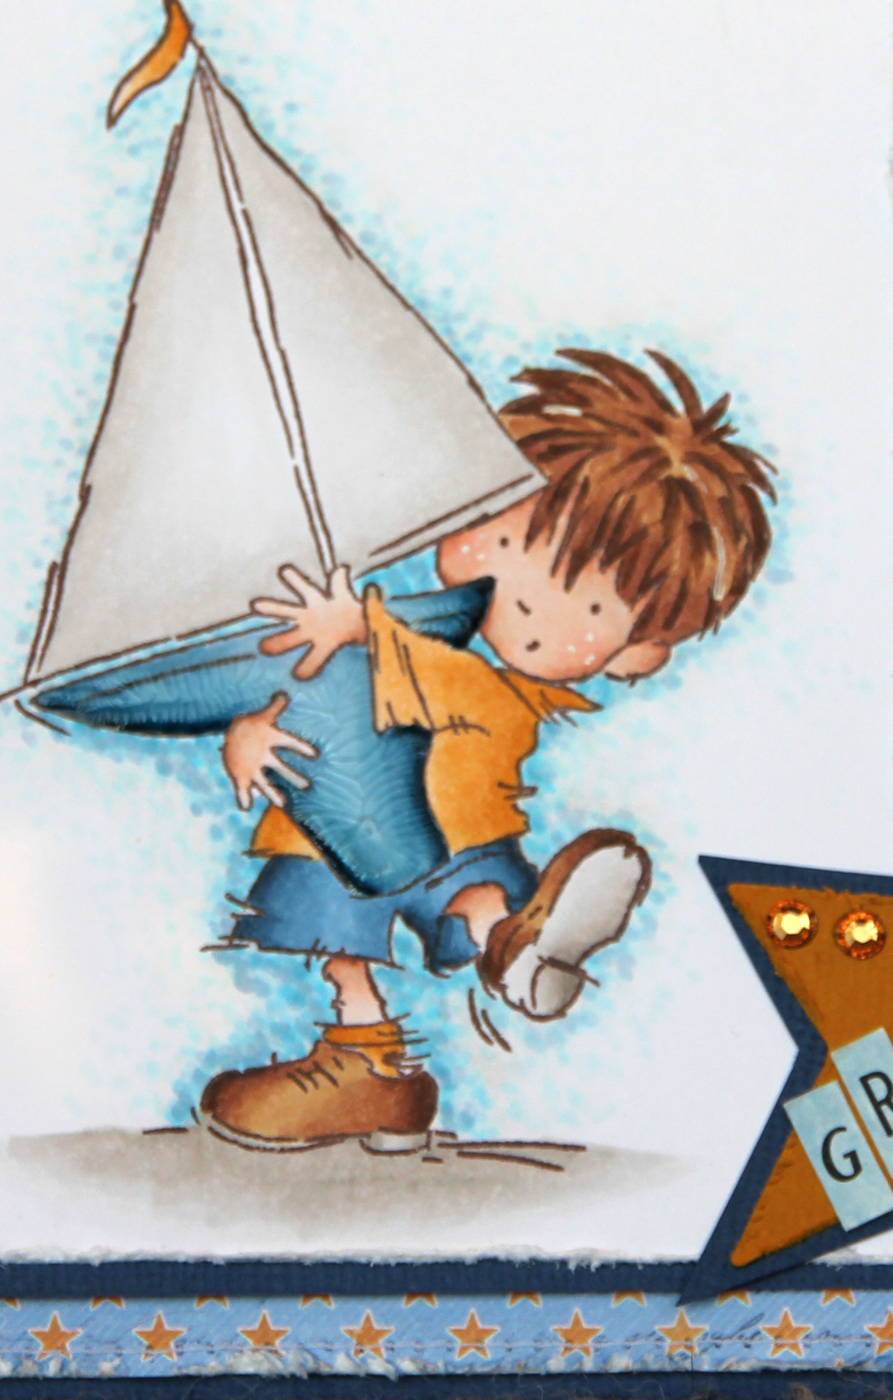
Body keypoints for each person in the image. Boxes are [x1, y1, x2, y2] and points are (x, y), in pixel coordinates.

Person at [200, 348, 777, 1152]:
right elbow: (310, 698)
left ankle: (371, 1047)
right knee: (465, 898)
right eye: (504, 534)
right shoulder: (487, 685)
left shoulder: (477, 685)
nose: (520, 587)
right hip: (465, 841)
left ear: (636, 652)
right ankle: (507, 943)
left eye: (588, 602)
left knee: (333, 904)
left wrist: (358, 623)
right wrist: (249, 735)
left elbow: (416, 673)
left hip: (364, 828)